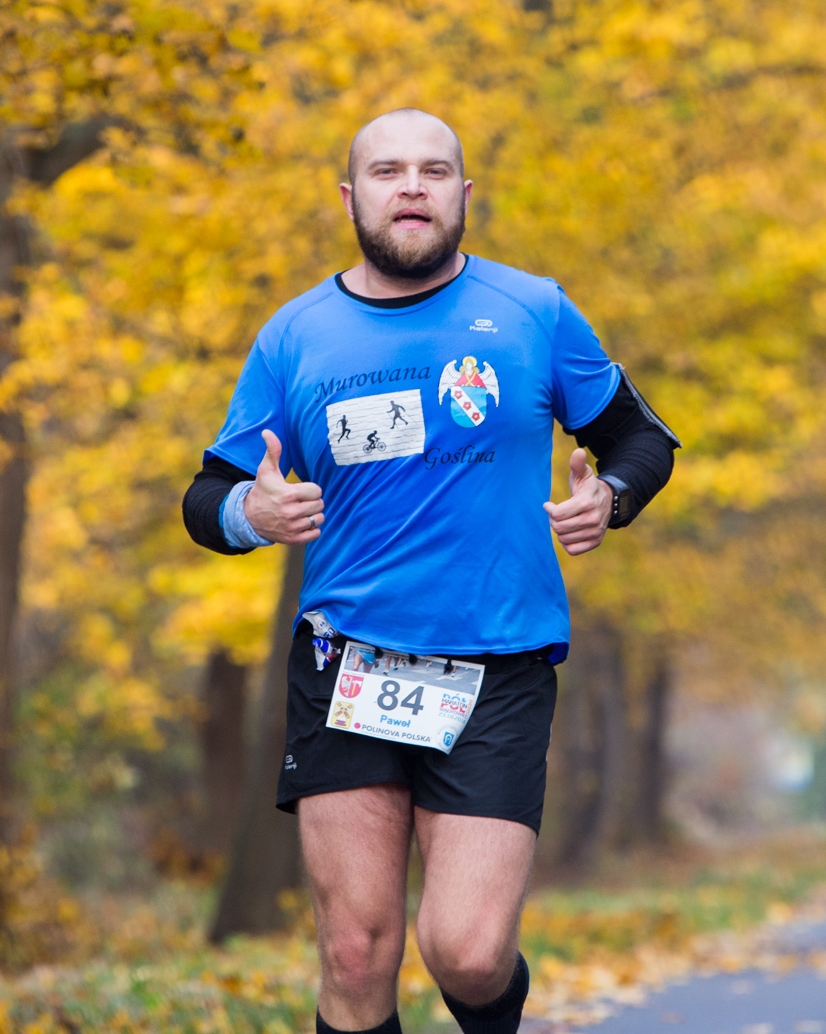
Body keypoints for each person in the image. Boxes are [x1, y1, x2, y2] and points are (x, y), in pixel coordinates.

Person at [181, 109, 678, 1034]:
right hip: (346, 665)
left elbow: (642, 439)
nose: (411, 186)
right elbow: (206, 495)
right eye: (388, 170)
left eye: (433, 170)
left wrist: (610, 496)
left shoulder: (533, 308)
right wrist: (250, 514)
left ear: (463, 194)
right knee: (356, 951)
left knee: (467, 949)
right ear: (350, 196)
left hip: (497, 663)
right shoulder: (294, 336)